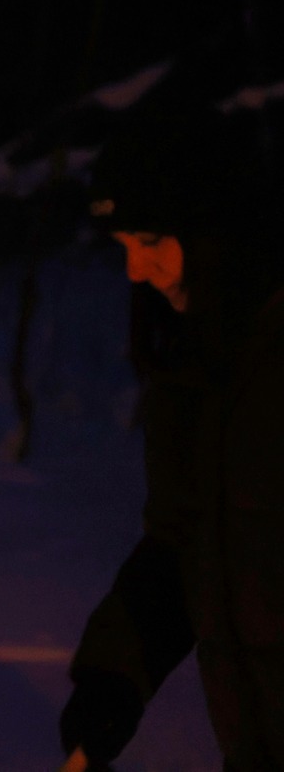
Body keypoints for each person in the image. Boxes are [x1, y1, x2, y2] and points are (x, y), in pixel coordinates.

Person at [63, 102, 284, 771]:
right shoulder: (193, 373)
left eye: (152, 242)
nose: (136, 270)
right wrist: (110, 687)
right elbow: (182, 544)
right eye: (125, 247)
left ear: (220, 238)